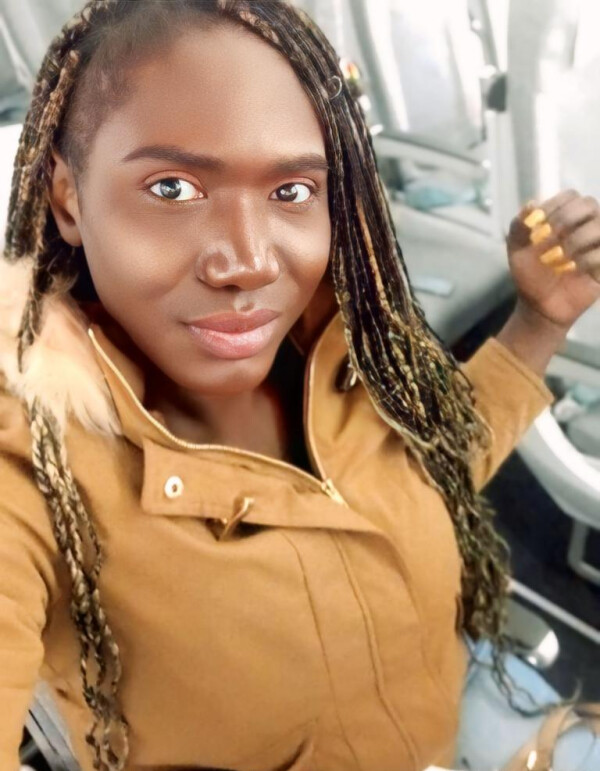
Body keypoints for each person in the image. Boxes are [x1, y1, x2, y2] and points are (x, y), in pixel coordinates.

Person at [1, 1, 599, 770]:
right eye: (173, 188)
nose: (250, 261)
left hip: (458, 697)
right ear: (67, 198)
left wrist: (539, 321)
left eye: (290, 191)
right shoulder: (31, 463)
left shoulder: (350, 343)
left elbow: (431, 476)